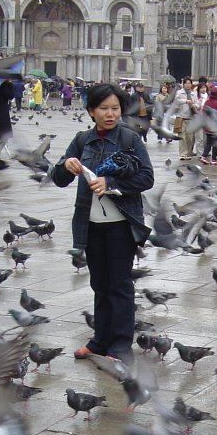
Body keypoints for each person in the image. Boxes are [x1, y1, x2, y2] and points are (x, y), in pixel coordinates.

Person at [50, 82, 155, 363]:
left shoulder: (130, 139)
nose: (110, 114)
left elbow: (147, 178)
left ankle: (120, 345)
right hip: (90, 224)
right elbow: (58, 179)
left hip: (122, 224)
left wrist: (111, 181)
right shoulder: (82, 140)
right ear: (91, 111)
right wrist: (65, 166)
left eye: (115, 108)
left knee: (120, 284)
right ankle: (100, 341)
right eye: (104, 108)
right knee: (100, 283)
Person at [174, 77, 200, 160]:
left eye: (189, 83)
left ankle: (188, 152)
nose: (188, 85)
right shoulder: (179, 92)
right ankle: (183, 154)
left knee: (190, 138)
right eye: (186, 83)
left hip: (191, 118)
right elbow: (176, 101)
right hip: (181, 117)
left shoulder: (193, 94)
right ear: (183, 84)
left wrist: (195, 106)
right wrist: (185, 101)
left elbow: (198, 104)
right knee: (182, 137)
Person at [199, 84, 217, 164]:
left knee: (208, 142)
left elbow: (203, 113)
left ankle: (204, 156)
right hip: (215, 127)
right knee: (215, 142)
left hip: (207, 126)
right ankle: (214, 159)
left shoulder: (207, 102)